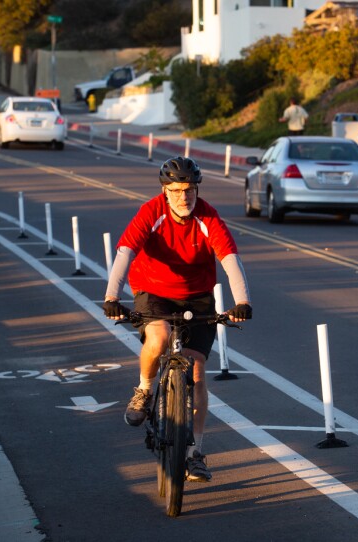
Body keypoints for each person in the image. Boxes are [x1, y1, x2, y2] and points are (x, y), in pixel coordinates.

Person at [102, 156, 252, 483]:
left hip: (197, 296)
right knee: (158, 338)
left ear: (197, 189)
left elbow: (229, 258)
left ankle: (194, 452)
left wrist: (242, 301)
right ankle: (144, 390)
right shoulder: (151, 212)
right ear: (165, 191)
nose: (184, 197)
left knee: (197, 372)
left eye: (190, 190)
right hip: (153, 291)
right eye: (176, 190)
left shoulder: (207, 217)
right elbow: (125, 251)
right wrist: (112, 297)